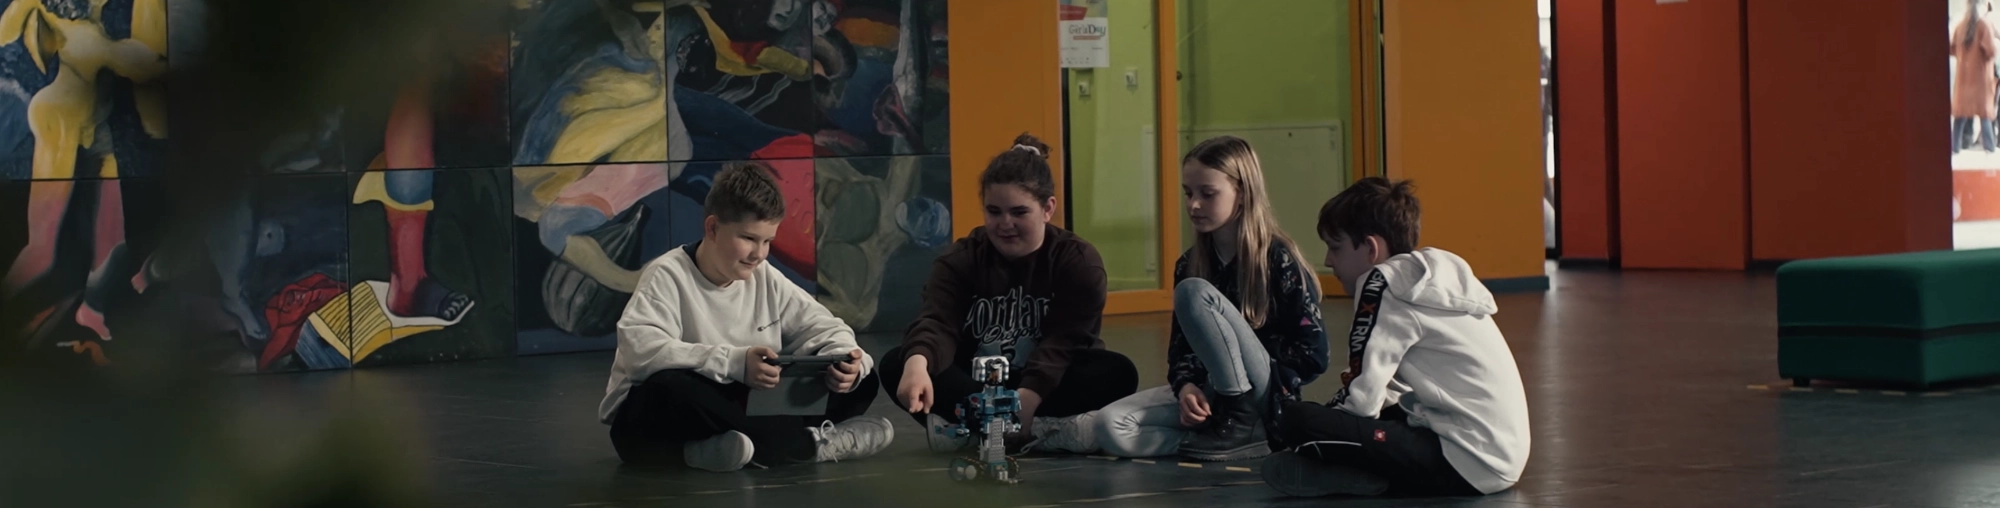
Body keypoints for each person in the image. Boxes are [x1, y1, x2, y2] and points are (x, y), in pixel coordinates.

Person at [598, 162, 893, 472]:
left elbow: (825, 326)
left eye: (767, 241)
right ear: (713, 228)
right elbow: (641, 353)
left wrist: (843, 360)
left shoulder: (764, 275)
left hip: (740, 406)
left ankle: (716, 451)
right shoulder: (667, 274)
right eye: (749, 238)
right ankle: (808, 446)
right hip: (654, 420)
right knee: (669, 385)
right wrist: (735, 363)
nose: (759, 254)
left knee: (863, 381)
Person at [1260, 177, 1530, 498]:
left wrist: (1315, 428)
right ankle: (1354, 471)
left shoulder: (1381, 283)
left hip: (1468, 463)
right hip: (1497, 456)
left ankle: (1356, 474)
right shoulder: (1424, 280)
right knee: (1375, 415)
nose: (1329, 261)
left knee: (1295, 419)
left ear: (1371, 248)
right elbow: (1391, 389)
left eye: (1336, 247)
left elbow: (1362, 402)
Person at [878, 133, 1138, 454]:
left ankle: (975, 429)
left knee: (1117, 372)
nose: (1005, 224)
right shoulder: (961, 258)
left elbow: (1065, 342)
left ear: (1047, 208)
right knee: (899, 363)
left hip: (1047, 381)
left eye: (1019, 212)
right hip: (979, 384)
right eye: (994, 211)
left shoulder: (1078, 260)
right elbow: (938, 322)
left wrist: (1028, 399)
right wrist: (918, 364)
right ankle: (1041, 430)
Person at [1083, 135, 1329, 463]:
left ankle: (1246, 420)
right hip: (1211, 392)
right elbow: (1180, 351)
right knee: (1109, 425)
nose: (1193, 205)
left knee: (1193, 292)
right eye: (1188, 193)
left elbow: (1313, 354)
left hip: (1264, 395)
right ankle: (1221, 436)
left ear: (1242, 193)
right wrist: (1187, 387)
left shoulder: (1279, 259)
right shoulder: (1189, 264)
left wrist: (1243, 370)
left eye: (1208, 194)